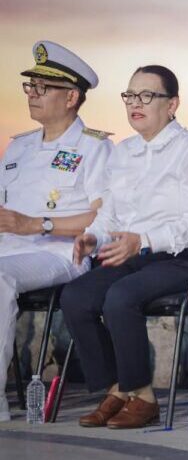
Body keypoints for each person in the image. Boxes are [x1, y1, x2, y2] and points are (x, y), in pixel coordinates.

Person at [60, 65, 188, 429]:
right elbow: (112, 217)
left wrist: (146, 241)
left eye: (147, 95)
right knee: (76, 296)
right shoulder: (123, 151)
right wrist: (94, 237)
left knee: (120, 296)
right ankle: (118, 388)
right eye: (130, 95)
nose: (136, 103)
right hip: (135, 253)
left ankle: (143, 396)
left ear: (172, 104)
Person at [0, 41, 111, 421]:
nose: (32, 94)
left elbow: (103, 215)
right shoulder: (18, 148)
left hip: (59, 253)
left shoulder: (94, 148)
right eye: (29, 86)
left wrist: (37, 224)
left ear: (71, 97)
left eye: (41, 87)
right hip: (9, 246)